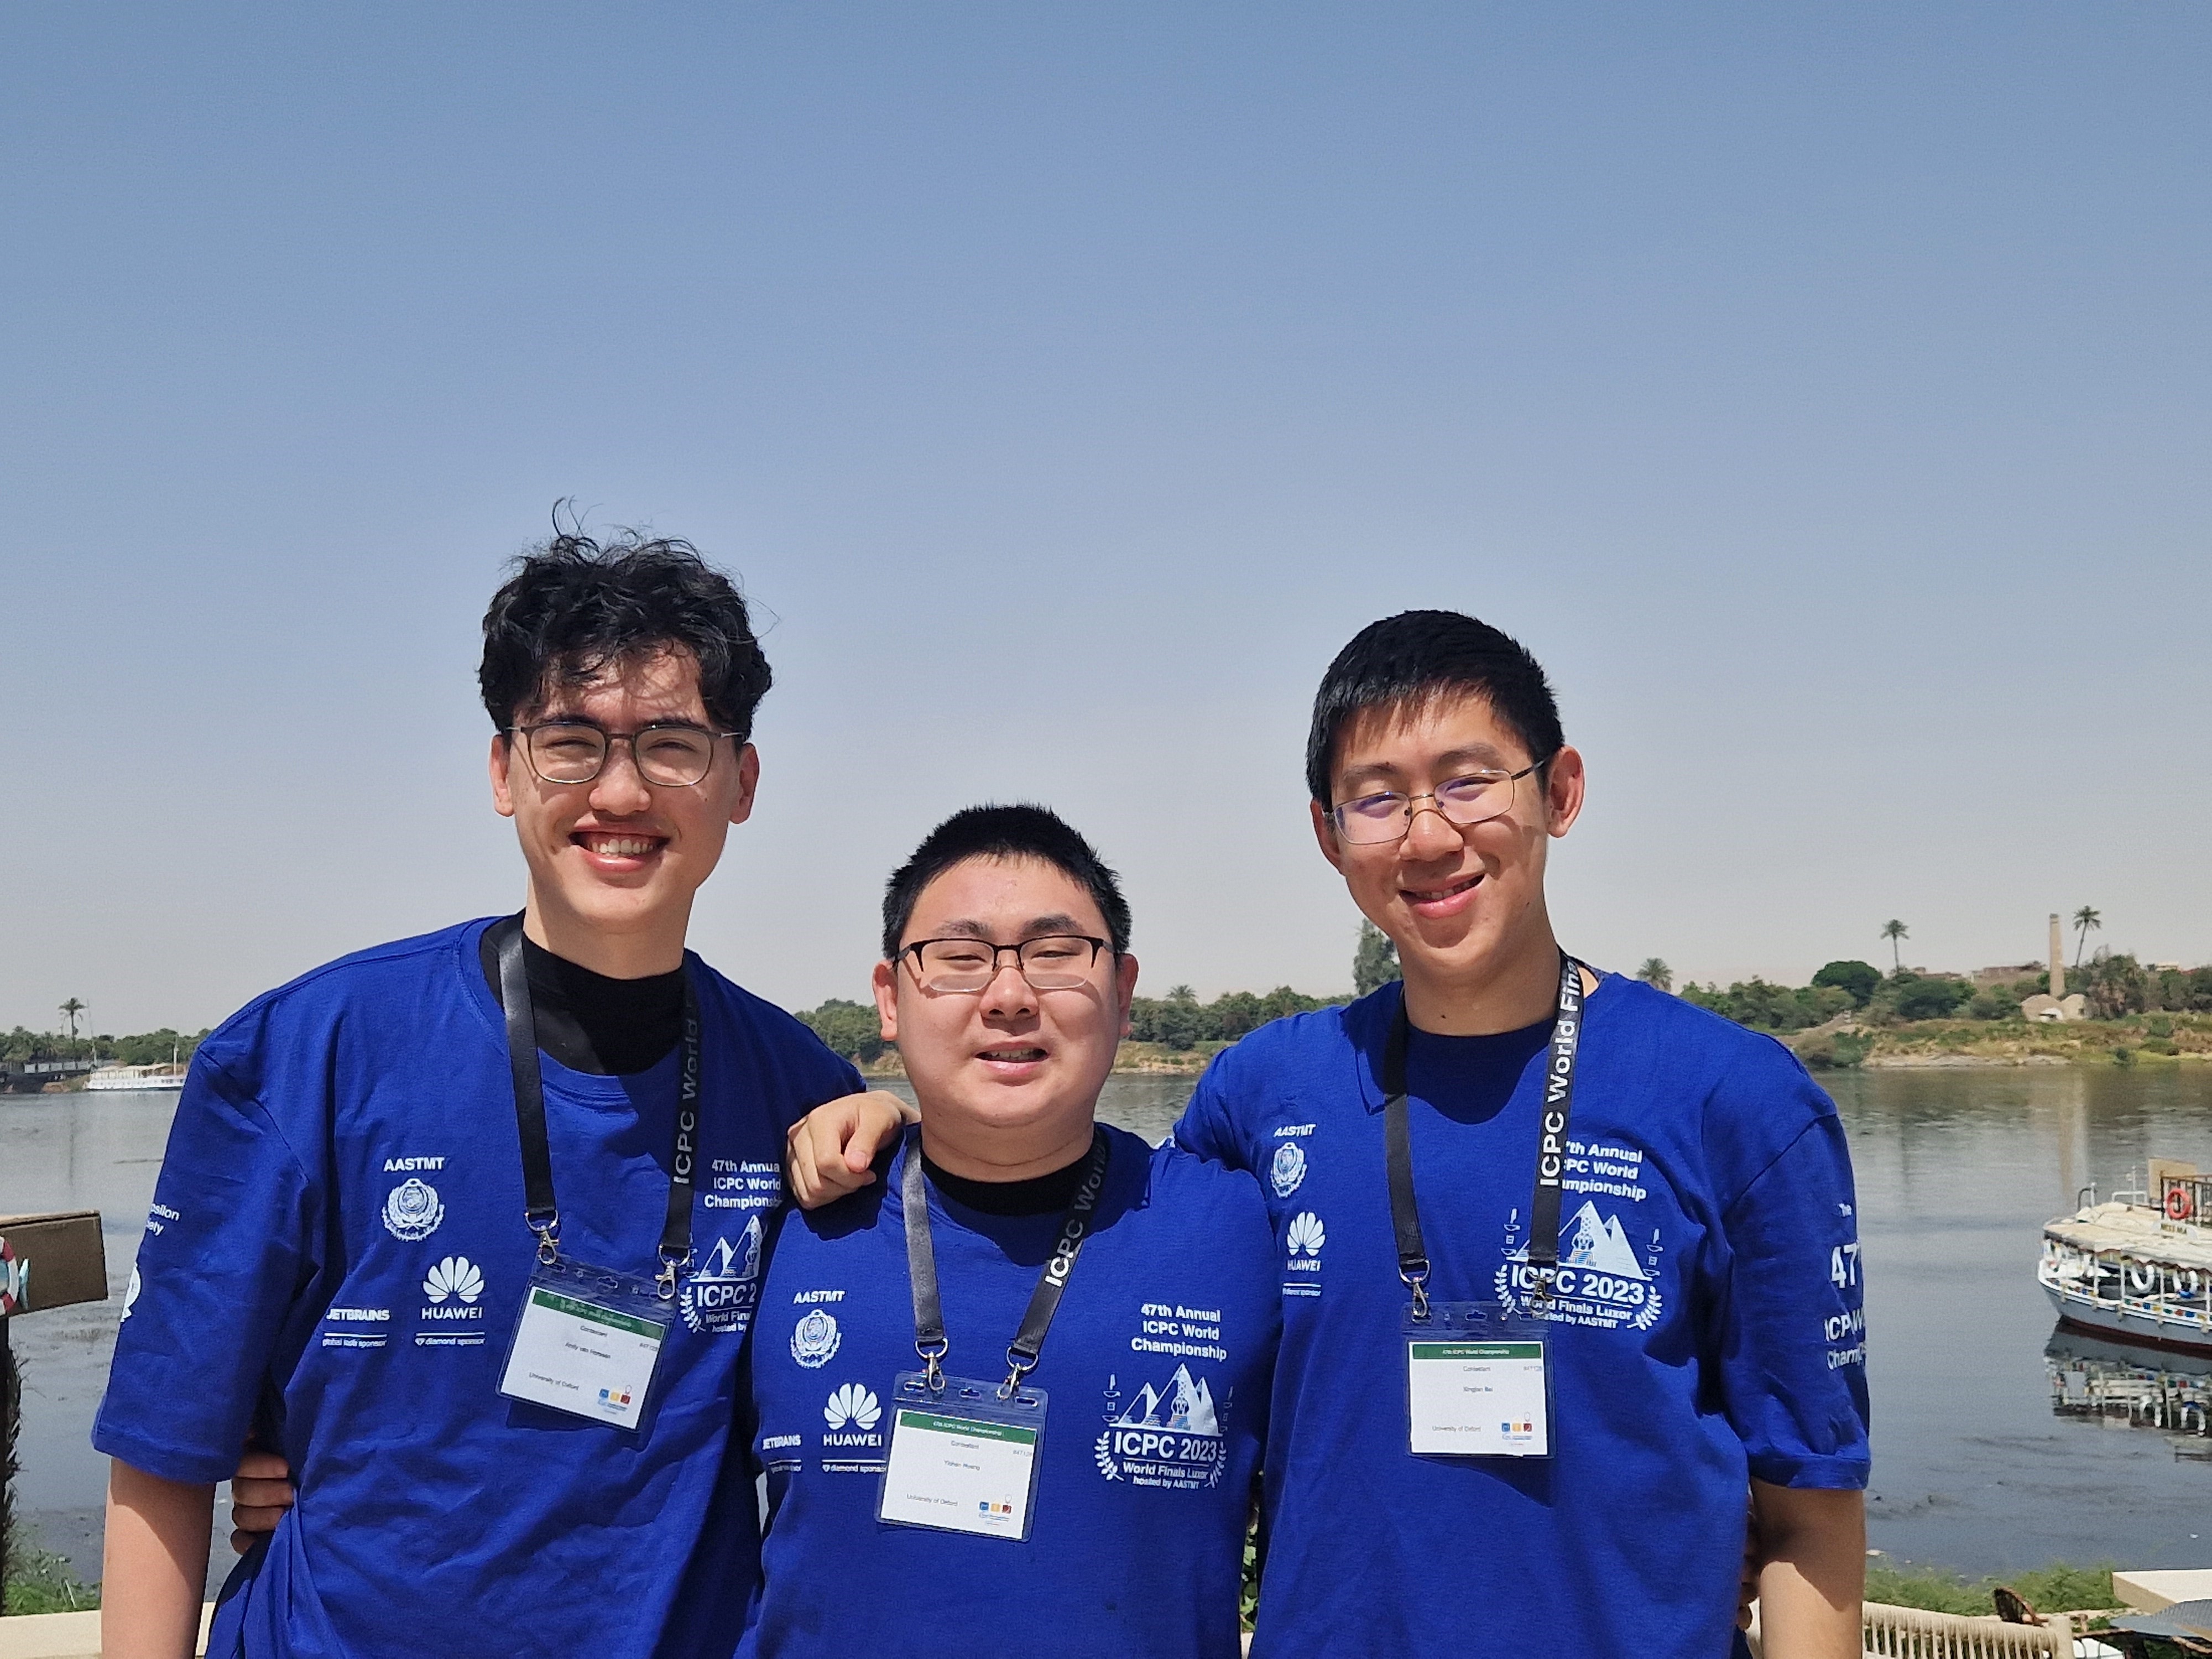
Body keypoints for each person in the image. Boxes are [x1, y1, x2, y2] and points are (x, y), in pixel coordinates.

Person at [96, 530, 903, 1659]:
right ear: (500, 770)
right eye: (570, 741)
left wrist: (910, 1134)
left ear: (741, 780)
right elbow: (164, 1452)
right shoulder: (306, 1054)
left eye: (672, 744)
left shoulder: (803, 1096)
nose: (620, 790)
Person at [1171, 611, 1870, 1658]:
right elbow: (1083, 1251)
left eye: (1468, 780)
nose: (1429, 835)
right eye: (1378, 798)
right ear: (1330, 836)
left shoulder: (1736, 1099)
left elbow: (1812, 1515)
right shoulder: (1257, 1094)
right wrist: (903, 1134)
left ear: (1561, 792)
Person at [740, 805, 1280, 1658]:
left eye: (1057, 955)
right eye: (957, 959)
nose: (1009, 997)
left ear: (1124, 991)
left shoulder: (1239, 1232)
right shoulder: (786, 1219)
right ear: (889, 999)